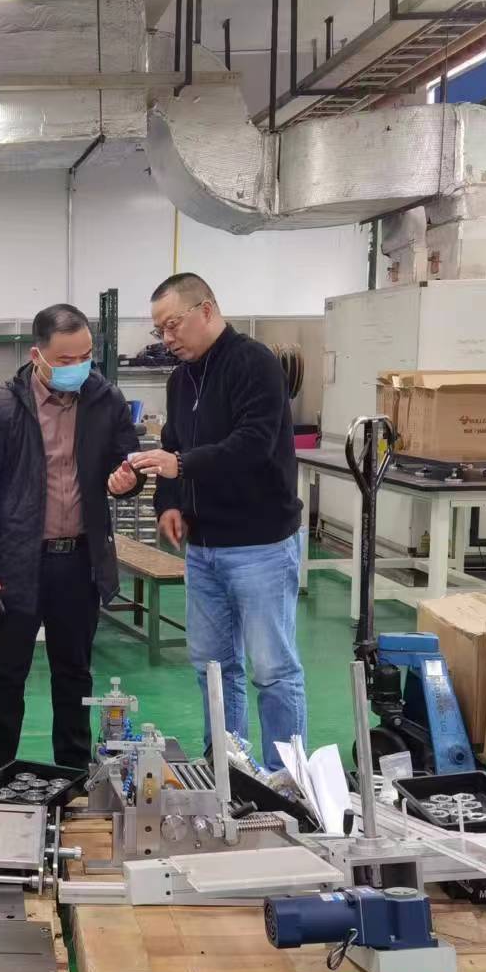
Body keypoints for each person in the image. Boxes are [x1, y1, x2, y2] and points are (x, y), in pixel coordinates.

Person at [130, 272, 305, 769]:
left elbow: (252, 443)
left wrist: (181, 466)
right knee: (213, 669)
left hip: (260, 546)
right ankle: (228, 770)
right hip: (204, 549)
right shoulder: (180, 379)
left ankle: (286, 779)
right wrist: (168, 502)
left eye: (172, 325)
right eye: (160, 330)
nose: (166, 339)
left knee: (272, 670)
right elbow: (173, 443)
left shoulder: (255, 364)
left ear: (206, 310)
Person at [0, 303, 144, 774]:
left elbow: (128, 463)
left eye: (85, 357)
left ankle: (74, 772)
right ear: (37, 356)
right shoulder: (2, 408)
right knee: (6, 673)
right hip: (17, 563)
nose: (77, 368)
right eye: (65, 360)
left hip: (78, 560)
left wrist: (127, 481)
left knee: (74, 673)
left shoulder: (105, 400)